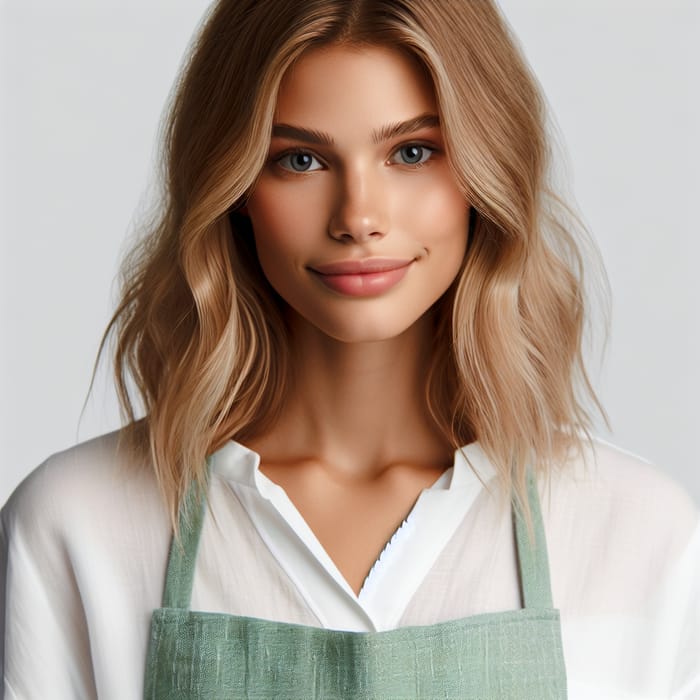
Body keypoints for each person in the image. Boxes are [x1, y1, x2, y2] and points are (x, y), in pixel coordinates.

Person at [1, 1, 698, 698]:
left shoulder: (638, 537)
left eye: (413, 152)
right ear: (236, 186)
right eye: (300, 160)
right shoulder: (79, 526)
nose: (358, 216)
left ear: (488, 172)